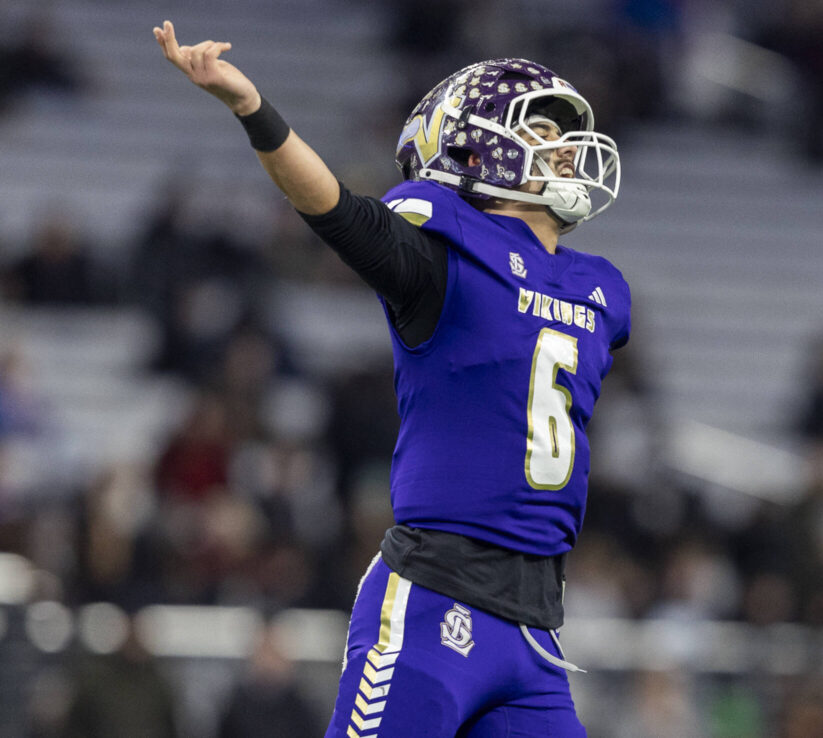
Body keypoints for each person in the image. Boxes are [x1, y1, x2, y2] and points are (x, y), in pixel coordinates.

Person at [153, 20, 629, 737]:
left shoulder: (596, 287)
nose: (564, 147)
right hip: (438, 599)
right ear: (479, 143)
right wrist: (253, 108)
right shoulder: (445, 252)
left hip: (536, 629)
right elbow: (337, 212)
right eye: (542, 128)